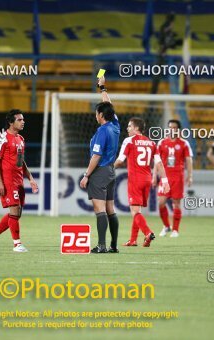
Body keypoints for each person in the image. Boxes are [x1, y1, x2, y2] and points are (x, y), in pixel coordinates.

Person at [0, 109, 38, 252]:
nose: (23, 122)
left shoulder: (21, 139)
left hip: (19, 180)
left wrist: (31, 179)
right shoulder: (2, 138)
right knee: (14, 211)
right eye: (19, 120)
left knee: (16, 213)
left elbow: (21, 161)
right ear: (10, 122)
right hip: (8, 181)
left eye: (23, 119)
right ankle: (17, 244)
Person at [79, 76, 120, 254]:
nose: (95, 115)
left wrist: (87, 175)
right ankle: (113, 246)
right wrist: (102, 88)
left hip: (100, 171)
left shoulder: (103, 131)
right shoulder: (115, 125)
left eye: (97, 113)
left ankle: (101, 246)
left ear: (101, 115)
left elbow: (96, 155)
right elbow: (109, 105)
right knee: (111, 209)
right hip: (111, 171)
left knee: (100, 209)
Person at [114, 117, 169, 247]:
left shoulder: (129, 141)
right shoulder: (151, 143)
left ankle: (148, 233)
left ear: (136, 128)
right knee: (137, 210)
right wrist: (165, 181)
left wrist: (108, 168)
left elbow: (121, 160)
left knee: (135, 211)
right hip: (147, 179)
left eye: (129, 126)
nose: (127, 129)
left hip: (135, 179)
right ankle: (133, 240)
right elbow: (159, 163)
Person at [154, 120, 193, 238]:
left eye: (175, 128)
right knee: (161, 203)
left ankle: (175, 229)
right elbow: (157, 160)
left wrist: (190, 176)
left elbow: (189, 160)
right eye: (170, 127)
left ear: (179, 129)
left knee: (176, 203)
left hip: (178, 177)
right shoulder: (161, 143)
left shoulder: (184, 143)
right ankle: (166, 226)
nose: (172, 130)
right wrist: (154, 176)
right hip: (165, 177)